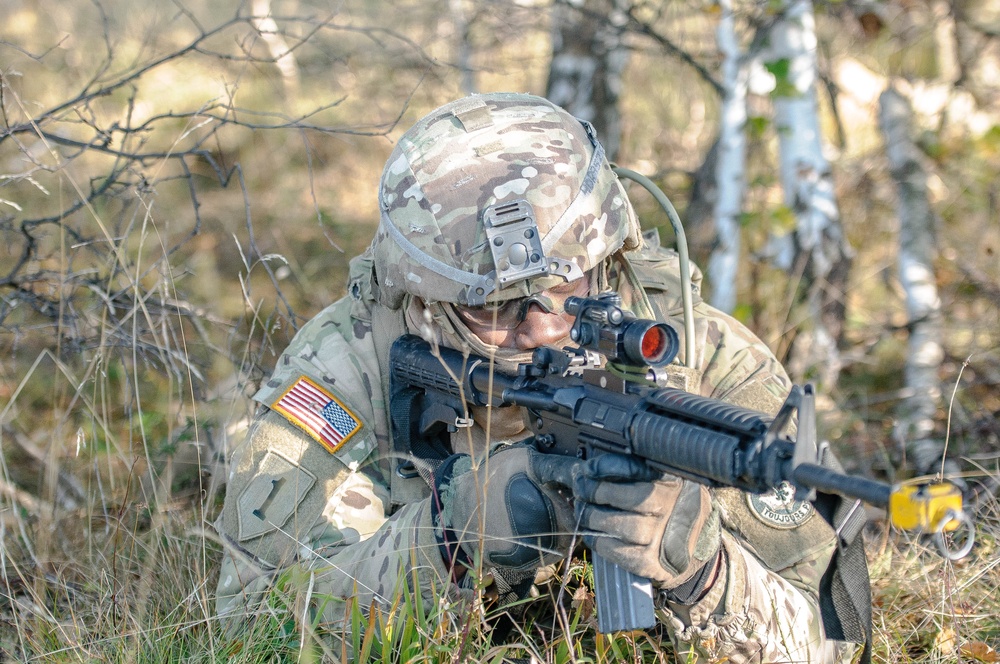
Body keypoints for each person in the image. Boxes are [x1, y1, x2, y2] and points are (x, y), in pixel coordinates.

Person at [214, 92, 862, 662]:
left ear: (610, 252)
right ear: (425, 299)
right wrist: (452, 533)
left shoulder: (701, 352)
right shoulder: (350, 359)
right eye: (494, 308)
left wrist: (705, 577)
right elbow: (252, 626)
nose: (545, 327)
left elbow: (838, 639)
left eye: (569, 284)